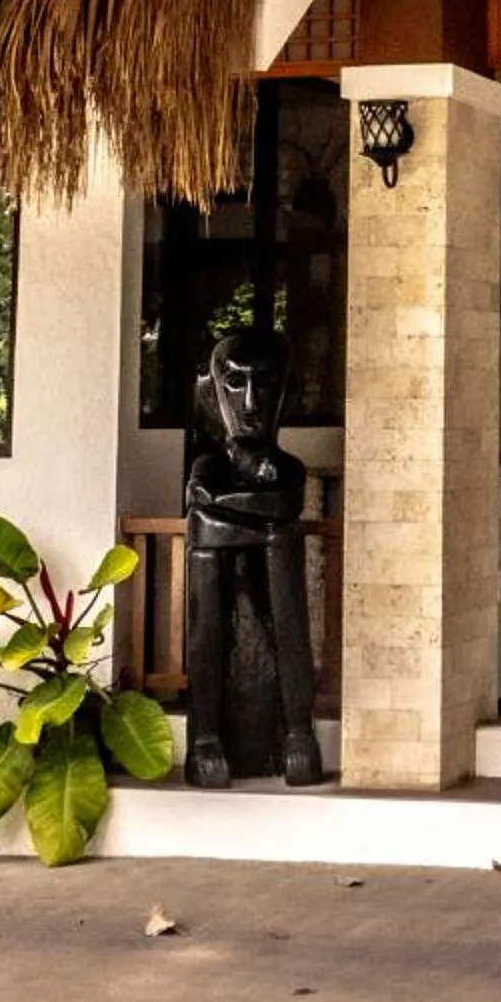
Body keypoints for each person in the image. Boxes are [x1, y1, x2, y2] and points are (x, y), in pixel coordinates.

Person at [183, 333, 324, 789]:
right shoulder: (208, 464)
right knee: (210, 549)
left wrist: (233, 520)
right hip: (218, 584)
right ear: (212, 392)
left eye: (262, 384)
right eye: (235, 383)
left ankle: (298, 732)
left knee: (280, 544)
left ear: (285, 392)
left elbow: (282, 504)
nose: (249, 401)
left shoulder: (287, 467)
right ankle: (205, 738)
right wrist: (257, 523)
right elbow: (202, 499)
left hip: (273, 584)